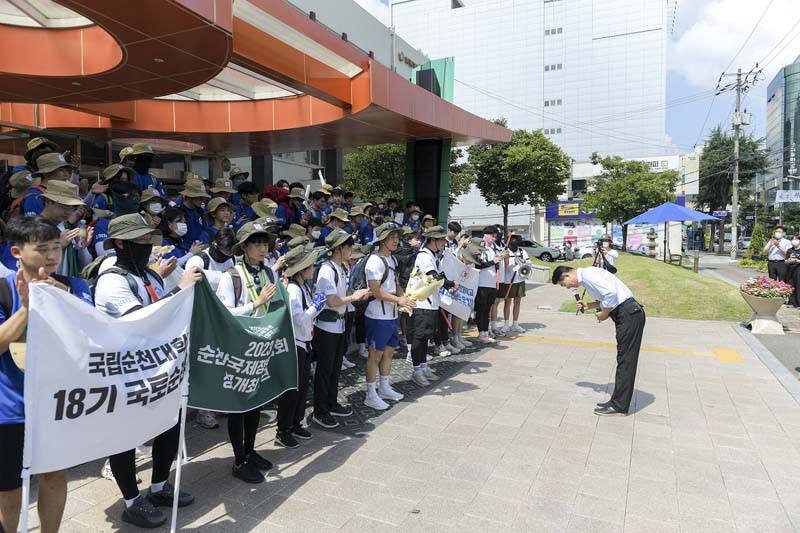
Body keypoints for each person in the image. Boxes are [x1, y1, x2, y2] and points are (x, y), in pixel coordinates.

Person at [94, 214, 201, 528]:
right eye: (141, 241)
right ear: (121, 244)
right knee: (125, 438)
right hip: (125, 373)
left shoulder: (148, 276)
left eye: (148, 240)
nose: (149, 246)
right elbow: (145, 321)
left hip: (158, 368)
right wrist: (179, 290)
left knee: (169, 424)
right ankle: (131, 500)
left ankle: (158, 486)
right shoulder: (112, 280)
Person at [0, 216, 95, 533]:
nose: (52, 256)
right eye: (42, 249)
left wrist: (62, 299)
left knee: (55, 476)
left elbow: (95, 334)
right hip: (9, 411)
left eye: (56, 247)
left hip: (57, 406)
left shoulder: (74, 286)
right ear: (17, 252)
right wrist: (27, 309)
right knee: (9, 489)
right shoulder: (2, 289)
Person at [216, 223, 279, 483]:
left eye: (265, 243)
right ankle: (239, 459)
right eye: (257, 243)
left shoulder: (268, 273)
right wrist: (256, 303)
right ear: (244, 247)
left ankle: (251, 451)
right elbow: (223, 313)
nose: (263, 248)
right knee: (238, 407)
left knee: (256, 402)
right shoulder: (230, 276)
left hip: (260, 347)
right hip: (239, 348)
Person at [553, 265, 645, 416]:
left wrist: (604, 314)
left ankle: (619, 406)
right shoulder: (588, 276)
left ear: (567, 276)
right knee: (624, 359)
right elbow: (607, 297)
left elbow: (611, 293)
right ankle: (617, 402)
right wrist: (590, 305)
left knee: (626, 361)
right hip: (628, 313)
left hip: (629, 314)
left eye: (564, 285)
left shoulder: (588, 275)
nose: (567, 287)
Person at [312, 230, 371, 429]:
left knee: (335, 369)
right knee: (325, 370)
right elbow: (331, 301)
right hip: (327, 326)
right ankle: (320, 411)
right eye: (348, 246)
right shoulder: (327, 270)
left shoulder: (340, 268)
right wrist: (354, 297)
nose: (351, 250)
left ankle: (331, 402)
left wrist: (354, 297)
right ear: (338, 248)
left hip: (339, 325)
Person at [276, 246, 327, 448]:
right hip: (296, 345)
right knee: (292, 391)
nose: (313, 268)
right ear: (301, 269)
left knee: (302, 388)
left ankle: (295, 423)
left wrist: (314, 306)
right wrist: (316, 307)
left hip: (305, 343)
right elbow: (299, 320)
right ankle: (283, 429)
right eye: (310, 266)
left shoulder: (303, 286)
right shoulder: (294, 290)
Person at [364, 223, 414, 408]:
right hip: (377, 316)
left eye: (397, 237)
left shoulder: (391, 259)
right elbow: (375, 291)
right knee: (375, 355)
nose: (396, 241)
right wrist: (398, 300)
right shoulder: (374, 261)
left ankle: (384, 387)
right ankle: (370, 393)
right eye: (392, 238)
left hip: (391, 315)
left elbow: (395, 284)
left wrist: (403, 296)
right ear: (382, 240)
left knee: (389, 352)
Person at [410, 226, 455, 387]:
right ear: (433, 240)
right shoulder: (424, 256)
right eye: (442, 240)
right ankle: (416, 370)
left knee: (426, 338)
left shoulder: (434, 256)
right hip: (422, 303)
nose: (444, 243)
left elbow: (440, 275)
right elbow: (433, 276)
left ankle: (423, 366)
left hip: (432, 303)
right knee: (419, 338)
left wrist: (448, 287)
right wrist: (449, 283)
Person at [474, 228, 507, 344]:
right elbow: (478, 265)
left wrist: (498, 260)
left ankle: (485, 332)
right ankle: (481, 333)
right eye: (492, 235)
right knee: (481, 309)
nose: (493, 238)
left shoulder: (492, 249)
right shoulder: (480, 247)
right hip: (482, 283)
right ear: (485, 235)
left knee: (487, 309)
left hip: (492, 283)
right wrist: (493, 262)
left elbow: (495, 264)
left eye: (495, 236)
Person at [22, 153, 76, 217]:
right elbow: (35, 226)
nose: (66, 174)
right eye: (61, 170)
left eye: (67, 171)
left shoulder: (57, 193)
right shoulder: (34, 196)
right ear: (46, 173)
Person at [500, 234, 532, 333]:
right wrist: (508, 261)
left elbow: (529, 263)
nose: (514, 242)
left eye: (516, 240)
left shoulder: (522, 251)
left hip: (520, 280)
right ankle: (506, 324)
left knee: (517, 302)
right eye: (512, 240)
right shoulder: (505, 252)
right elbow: (503, 266)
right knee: (507, 302)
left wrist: (522, 262)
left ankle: (515, 323)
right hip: (508, 280)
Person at [177, 180, 210, 244]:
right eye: (200, 197)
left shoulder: (200, 211)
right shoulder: (179, 211)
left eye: (203, 197)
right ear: (190, 196)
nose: (203, 200)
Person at [786, 235, 800, 307]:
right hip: (790, 270)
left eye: (796, 239)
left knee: (798, 286)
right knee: (791, 285)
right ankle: (791, 302)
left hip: (798, 270)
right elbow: (786, 260)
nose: (794, 241)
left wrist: (796, 260)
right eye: (793, 239)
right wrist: (788, 261)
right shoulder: (789, 250)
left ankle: (798, 303)